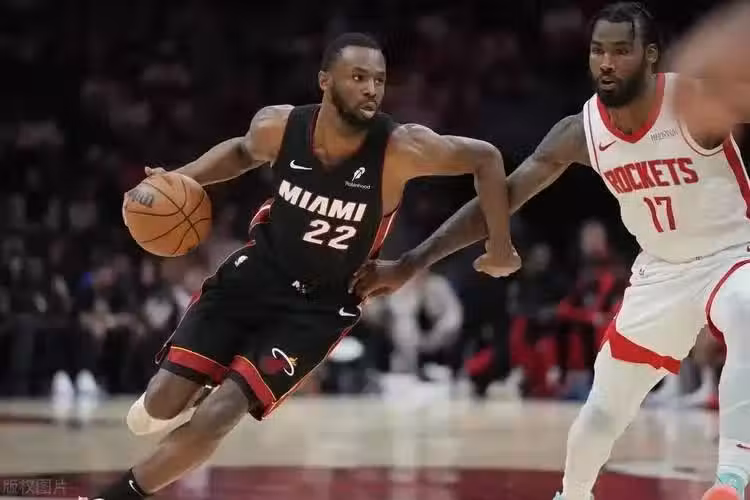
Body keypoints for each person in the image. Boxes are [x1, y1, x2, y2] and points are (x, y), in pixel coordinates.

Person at [79, 32, 520, 500]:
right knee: (157, 407)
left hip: (320, 305)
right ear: (325, 81)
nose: (371, 89)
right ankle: (185, 395)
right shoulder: (280, 127)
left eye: (379, 80)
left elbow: (486, 159)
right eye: (358, 77)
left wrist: (498, 246)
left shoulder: (401, 148)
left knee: (220, 414)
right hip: (256, 273)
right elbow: (242, 151)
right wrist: (180, 178)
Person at [350, 3, 750, 499]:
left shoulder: (693, 102)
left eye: (621, 51)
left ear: (650, 56)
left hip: (733, 253)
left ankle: (732, 479)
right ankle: (572, 494)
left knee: (744, 307)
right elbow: (499, 202)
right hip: (661, 272)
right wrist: (412, 262)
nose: (606, 63)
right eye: (598, 51)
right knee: (604, 409)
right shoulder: (582, 131)